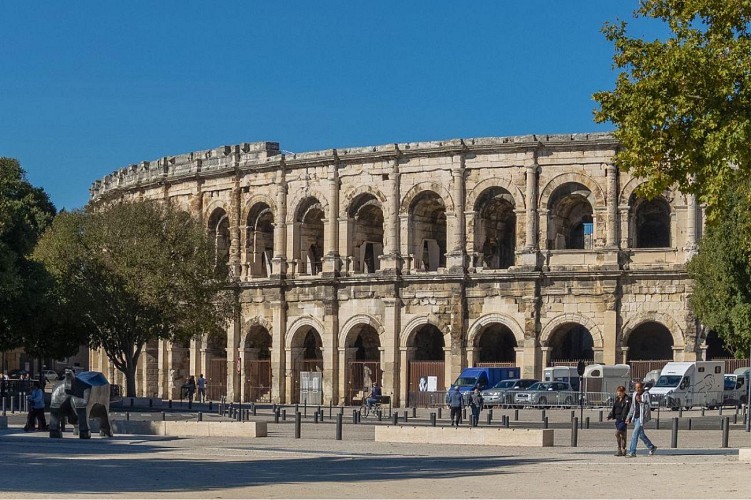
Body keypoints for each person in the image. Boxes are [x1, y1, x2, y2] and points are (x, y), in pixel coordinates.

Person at [625, 382, 657, 457]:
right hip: (635, 416)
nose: (638, 389)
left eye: (639, 387)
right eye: (636, 387)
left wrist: (640, 402)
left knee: (634, 434)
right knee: (641, 435)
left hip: (641, 417)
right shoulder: (634, 394)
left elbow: (649, 405)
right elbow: (633, 406)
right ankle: (651, 447)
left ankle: (632, 452)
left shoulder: (646, 394)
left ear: (642, 387)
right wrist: (628, 417)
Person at [607, 385, 631, 456]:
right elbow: (614, 408)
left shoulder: (627, 399)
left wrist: (629, 417)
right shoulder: (617, 399)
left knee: (617, 433)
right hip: (617, 418)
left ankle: (620, 448)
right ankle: (621, 449)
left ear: (624, 392)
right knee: (621, 435)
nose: (619, 394)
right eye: (618, 392)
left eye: (620, 392)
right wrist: (610, 415)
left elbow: (630, 409)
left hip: (624, 419)